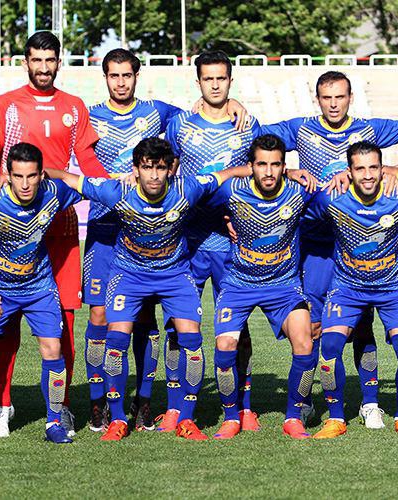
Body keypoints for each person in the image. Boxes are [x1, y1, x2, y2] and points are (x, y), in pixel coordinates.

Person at [83, 48, 250, 432]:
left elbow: (205, 112)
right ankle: (98, 402)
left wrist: (232, 104)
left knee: (147, 319)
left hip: (155, 229)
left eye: (127, 75)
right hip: (106, 227)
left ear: (136, 77)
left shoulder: (158, 113)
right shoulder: (89, 116)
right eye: (114, 75)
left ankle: (144, 401)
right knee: (100, 317)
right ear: (105, 78)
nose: (121, 82)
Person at [50, 137, 252, 441]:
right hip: (129, 274)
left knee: (192, 341)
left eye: (160, 168)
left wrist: (280, 172)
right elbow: (69, 178)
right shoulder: (118, 192)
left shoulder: (186, 188)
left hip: (174, 274)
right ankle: (118, 419)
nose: (154, 175)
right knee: (116, 340)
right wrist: (28, 174)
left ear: (170, 169)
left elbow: (226, 174)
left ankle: (186, 419)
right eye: (147, 168)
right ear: (135, 169)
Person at [0, 31, 110, 438]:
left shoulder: (74, 106)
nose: (43, 67)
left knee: (64, 319)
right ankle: (2, 406)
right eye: (36, 59)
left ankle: (61, 407)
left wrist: (113, 190)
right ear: (26, 62)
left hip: (60, 225)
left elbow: (86, 160)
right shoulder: (5, 104)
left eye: (50, 60)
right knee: (4, 321)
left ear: (59, 62)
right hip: (12, 228)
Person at [263, 70, 398, 428]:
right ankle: (311, 400)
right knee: (314, 327)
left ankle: (370, 403)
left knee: (363, 325)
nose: (333, 104)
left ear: (350, 98)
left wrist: (396, 168)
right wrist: (288, 172)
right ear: (317, 99)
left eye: (340, 97)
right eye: (326, 97)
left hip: (358, 245)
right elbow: (254, 141)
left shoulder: (369, 129)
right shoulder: (301, 129)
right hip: (316, 246)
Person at [164, 50, 261, 433]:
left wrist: (230, 184)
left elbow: (258, 171)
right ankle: (175, 407)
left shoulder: (247, 125)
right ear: (198, 82)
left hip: (230, 241)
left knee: (237, 327)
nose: (215, 85)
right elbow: (168, 171)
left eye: (222, 78)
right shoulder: (180, 124)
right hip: (186, 241)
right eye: (209, 78)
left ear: (230, 81)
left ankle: (244, 406)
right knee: (178, 325)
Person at [0, 142, 83, 445]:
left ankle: (54, 421)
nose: (25, 184)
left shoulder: (53, 192)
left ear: (41, 175)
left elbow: (81, 184)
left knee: (53, 349)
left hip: (39, 287)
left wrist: (129, 180)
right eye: (18, 176)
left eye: (32, 176)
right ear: (8, 175)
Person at [306, 141, 398, 439]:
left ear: (383, 169)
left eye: (373, 167)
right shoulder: (332, 198)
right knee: (329, 350)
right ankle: (335, 418)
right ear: (349, 172)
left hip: (393, 287)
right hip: (347, 287)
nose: (368, 175)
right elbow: (298, 218)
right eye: (360, 169)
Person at [207, 134, 319, 440]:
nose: (268, 172)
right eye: (261, 164)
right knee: (225, 345)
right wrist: (224, 219)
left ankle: (294, 416)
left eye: (276, 165)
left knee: (305, 342)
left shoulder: (299, 191)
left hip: (284, 286)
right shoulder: (232, 190)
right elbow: (197, 198)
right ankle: (232, 417)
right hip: (239, 284)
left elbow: (334, 200)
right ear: (251, 166)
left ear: (284, 166)